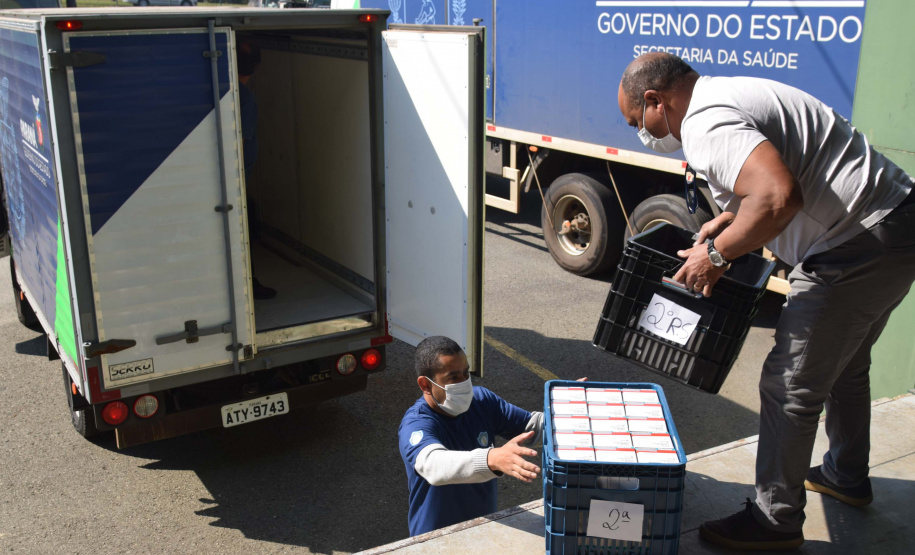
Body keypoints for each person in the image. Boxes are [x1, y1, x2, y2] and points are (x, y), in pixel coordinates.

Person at [617, 52, 915, 551]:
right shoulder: (726, 93)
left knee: (787, 385)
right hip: (893, 222)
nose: (642, 132)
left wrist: (715, 254)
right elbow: (764, 194)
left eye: (637, 122)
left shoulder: (704, 122)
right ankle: (845, 473)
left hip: (855, 244)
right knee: (845, 364)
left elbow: (778, 198)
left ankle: (774, 521)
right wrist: (725, 227)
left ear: (656, 100)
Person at [398, 336, 545, 537]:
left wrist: (567, 410)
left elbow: (533, 427)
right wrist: (491, 458)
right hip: (436, 540)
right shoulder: (416, 424)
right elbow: (433, 465)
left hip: (484, 529)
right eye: (453, 378)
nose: (464, 383)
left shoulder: (482, 401)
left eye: (466, 373)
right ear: (425, 385)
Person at [236, 39, 277, 301]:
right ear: (255, 68)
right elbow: (239, 145)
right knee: (244, 229)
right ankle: (249, 285)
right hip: (235, 183)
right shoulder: (246, 99)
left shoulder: (225, 91)